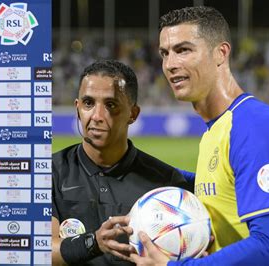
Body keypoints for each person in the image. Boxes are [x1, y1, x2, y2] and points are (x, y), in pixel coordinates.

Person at [128, 6, 269, 266]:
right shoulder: (217, 129)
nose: (170, 64)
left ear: (220, 53)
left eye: (183, 50)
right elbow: (223, 189)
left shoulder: (253, 125)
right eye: (164, 53)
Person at [52, 60, 193, 265]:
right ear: (77, 108)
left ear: (133, 114)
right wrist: (92, 243)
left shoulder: (166, 185)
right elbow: (39, 250)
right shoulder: (48, 172)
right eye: (88, 103)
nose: (97, 116)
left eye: (111, 105)